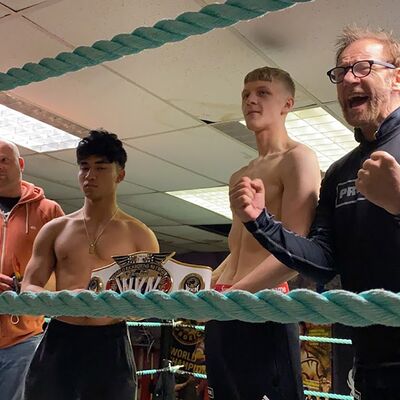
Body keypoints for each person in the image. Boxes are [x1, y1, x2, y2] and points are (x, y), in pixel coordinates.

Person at [230, 26, 400, 400]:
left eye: (363, 67)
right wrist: (261, 222)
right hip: (370, 364)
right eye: (341, 72)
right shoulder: (341, 171)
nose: (348, 79)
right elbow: (323, 259)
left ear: (396, 77)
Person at [205, 66, 321, 400]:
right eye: (246, 94)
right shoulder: (239, 174)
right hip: (226, 302)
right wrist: (200, 284)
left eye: (262, 92)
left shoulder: (298, 159)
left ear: (287, 103)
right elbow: (236, 248)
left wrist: (234, 296)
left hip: (262, 305)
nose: (251, 100)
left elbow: (296, 252)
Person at [21, 130, 159, 400]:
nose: (89, 175)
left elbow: (148, 301)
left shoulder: (140, 235)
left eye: (101, 167)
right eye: (84, 167)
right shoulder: (55, 230)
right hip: (60, 337)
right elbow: (29, 285)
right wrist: (60, 299)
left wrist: (131, 309)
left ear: (120, 174)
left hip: (111, 342)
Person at [0, 140, 63, 400]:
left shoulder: (48, 212)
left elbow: (66, 278)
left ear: (21, 164)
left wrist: (21, 286)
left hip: (23, 341)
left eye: (5, 159)